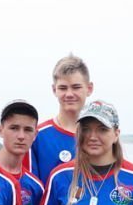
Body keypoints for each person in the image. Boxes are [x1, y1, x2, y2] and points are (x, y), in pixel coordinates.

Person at [31, 53, 94, 182]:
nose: (69, 94)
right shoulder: (37, 136)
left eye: (76, 87)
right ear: (54, 90)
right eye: (63, 88)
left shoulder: (100, 138)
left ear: (89, 88)